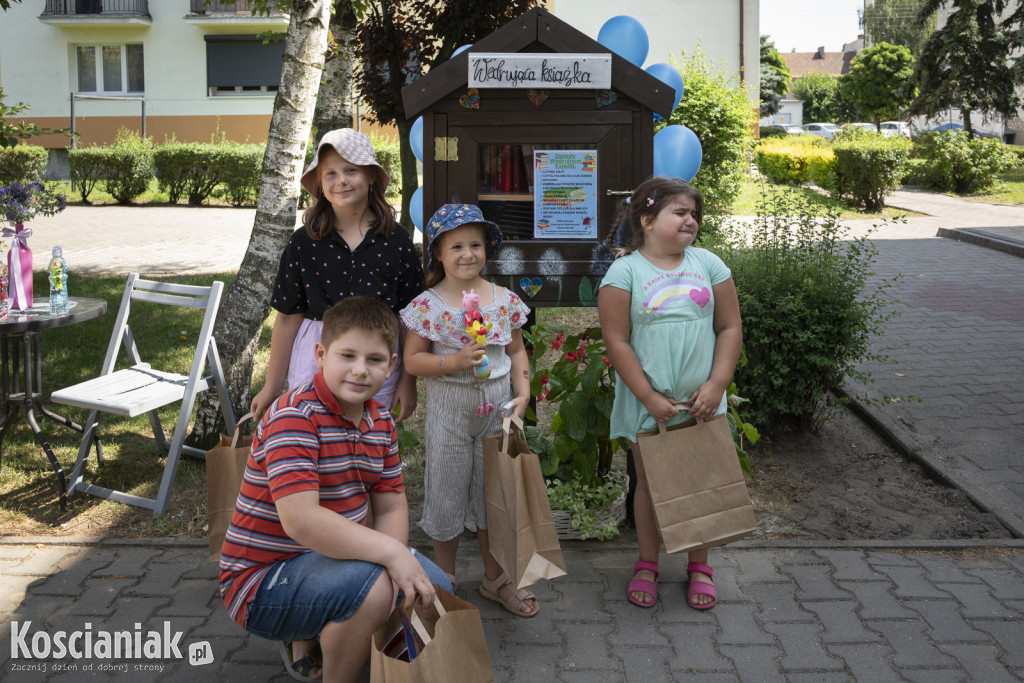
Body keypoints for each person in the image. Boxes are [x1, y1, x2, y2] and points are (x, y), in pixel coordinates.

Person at [219, 296, 451, 683]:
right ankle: (321, 650)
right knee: (375, 591)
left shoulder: (381, 421)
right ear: (320, 354)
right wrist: (391, 557)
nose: (360, 371)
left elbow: (391, 508)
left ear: (392, 365)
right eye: (347, 356)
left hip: (335, 560)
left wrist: (396, 568)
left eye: (375, 360)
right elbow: (302, 522)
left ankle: (346, 637)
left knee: (435, 588)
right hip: (261, 582)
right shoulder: (295, 416)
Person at [597, 177, 742, 610]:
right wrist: (647, 396)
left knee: (702, 478)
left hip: (703, 402)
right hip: (650, 404)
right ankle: (647, 563)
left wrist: (716, 385)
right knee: (648, 482)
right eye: (679, 212)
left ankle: (700, 566)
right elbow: (617, 341)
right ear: (647, 219)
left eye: (694, 213)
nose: (690, 220)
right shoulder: (624, 272)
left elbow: (729, 327)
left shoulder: (709, 264)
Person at [400, 204, 537, 617]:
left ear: (487, 249)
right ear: (438, 254)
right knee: (445, 492)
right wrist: (453, 361)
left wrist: (524, 394)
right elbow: (412, 361)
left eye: (475, 245)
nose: (467, 254)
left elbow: (516, 351)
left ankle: (496, 578)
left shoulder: (502, 300)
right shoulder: (428, 305)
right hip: (450, 409)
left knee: (493, 495)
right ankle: (443, 583)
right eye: (456, 246)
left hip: (497, 410)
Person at [251, 128, 423, 424]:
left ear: (370, 176)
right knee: (314, 434)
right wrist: (271, 386)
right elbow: (288, 317)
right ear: (319, 183)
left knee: (371, 437)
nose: (341, 180)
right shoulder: (303, 243)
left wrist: (408, 382)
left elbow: (412, 319)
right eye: (330, 173)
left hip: (376, 357)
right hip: (315, 360)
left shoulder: (397, 241)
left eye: (351, 170)